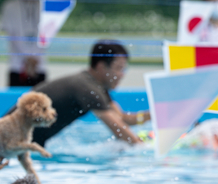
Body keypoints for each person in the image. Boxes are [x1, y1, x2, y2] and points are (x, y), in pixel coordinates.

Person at [9, 40, 150, 147]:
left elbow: (123, 119)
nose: (121, 75)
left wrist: (155, 114)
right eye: (119, 68)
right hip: (8, 141)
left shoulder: (94, 85)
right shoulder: (87, 89)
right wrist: (145, 149)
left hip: (15, 141)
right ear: (101, 67)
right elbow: (121, 133)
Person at [0, 0, 48, 87]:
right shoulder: (10, 5)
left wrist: (35, 57)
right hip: (17, 65)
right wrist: (27, 57)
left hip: (39, 66)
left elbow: (48, 33)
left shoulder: (45, 5)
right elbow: (11, 34)